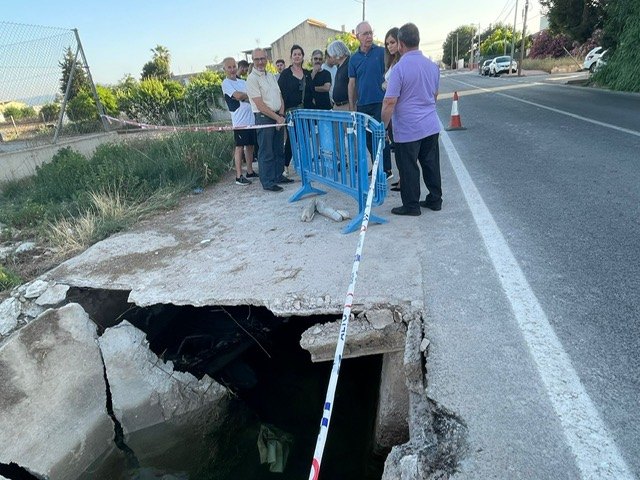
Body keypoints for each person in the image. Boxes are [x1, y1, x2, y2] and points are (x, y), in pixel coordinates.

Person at [382, 23, 441, 216]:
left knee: (408, 168)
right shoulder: (433, 66)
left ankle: (411, 205)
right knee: (431, 164)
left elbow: (390, 101)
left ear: (400, 44)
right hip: (430, 125)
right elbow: (435, 95)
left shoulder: (399, 69)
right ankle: (435, 199)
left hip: (408, 129)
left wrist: (383, 125)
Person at [348, 21, 393, 178]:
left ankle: (386, 170)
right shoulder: (353, 59)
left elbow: (391, 70)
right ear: (357, 36)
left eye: (370, 33)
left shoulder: (382, 52)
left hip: (380, 103)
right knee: (367, 139)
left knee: (381, 136)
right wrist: (352, 107)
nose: (369, 36)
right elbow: (352, 84)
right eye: (365, 34)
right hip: (362, 105)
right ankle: (376, 166)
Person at [246, 48, 293, 192]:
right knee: (266, 151)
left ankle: (278, 176)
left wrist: (281, 114)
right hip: (264, 117)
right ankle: (267, 182)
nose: (260, 62)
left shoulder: (271, 76)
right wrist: (277, 118)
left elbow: (279, 96)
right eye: (257, 59)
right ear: (252, 60)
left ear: (267, 59)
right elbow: (259, 104)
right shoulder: (251, 79)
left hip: (277, 116)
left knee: (278, 148)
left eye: (262, 59)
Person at [221, 57, 258, 185]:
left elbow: (249, 95)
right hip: (239, 121)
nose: (232, 69)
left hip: (251, 119)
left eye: (233, 66)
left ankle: (250, 171)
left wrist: (246, 96)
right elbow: (238, 96)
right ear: (225, 69)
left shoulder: (242, 82)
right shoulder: (226, 83)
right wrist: (247, 95)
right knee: (239, 147)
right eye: (229, 67)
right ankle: (238, 176)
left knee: (250, 146)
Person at [278, 44, 313, 172]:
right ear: (291, 57)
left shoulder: (307, 74)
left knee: (305, 139)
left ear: (303, 56)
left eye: (299, 54)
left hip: (306, 112)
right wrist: (281, 113)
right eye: (295, 54)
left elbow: (312, 93)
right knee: (293, 140)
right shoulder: (285, 74)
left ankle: (306, 167)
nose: (297, 56)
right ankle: (285, 165)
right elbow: (280, 94)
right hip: (291, 112)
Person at [383, 27, 402, 192]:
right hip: (393, 113)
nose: (390, 46)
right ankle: (402, 177)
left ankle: (405, 180)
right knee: (397, 147)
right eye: (387, 43)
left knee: (402, 148)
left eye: (393, 42)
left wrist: (386, 86)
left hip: (399, 110)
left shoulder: (401, 62)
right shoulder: (392, 61)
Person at [327, 40, 351, 111]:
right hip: (338, 106)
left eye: (331, 55)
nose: (331, 58)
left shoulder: (349, 63)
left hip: (346, 105)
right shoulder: (339, 66)